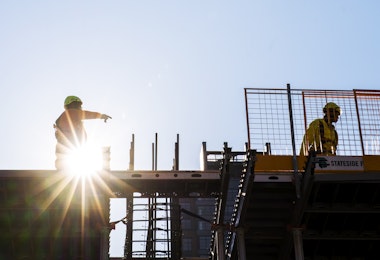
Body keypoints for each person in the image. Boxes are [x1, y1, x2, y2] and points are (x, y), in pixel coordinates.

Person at [54, 95, 112, 169]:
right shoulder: (70, 113)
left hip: (70, 151)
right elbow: (85, 114)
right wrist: (100, 116)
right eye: (78, 106)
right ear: (73, 105)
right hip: (68, 149)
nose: (80, 108)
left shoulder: (72, 120)